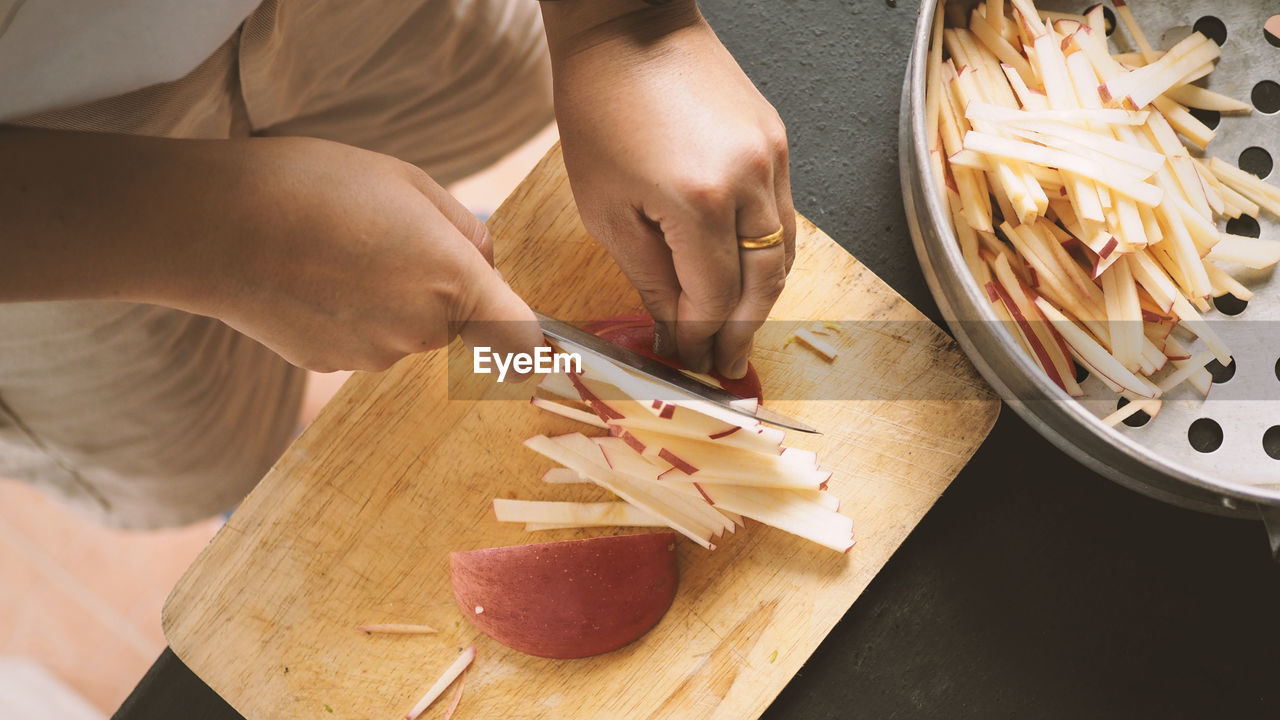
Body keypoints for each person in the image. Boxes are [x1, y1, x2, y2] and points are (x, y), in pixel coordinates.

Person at [0, 0, 794, 529]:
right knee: (200, 445)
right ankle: (280, 491)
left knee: (489, 86)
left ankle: (418, 248)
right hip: (52, 182)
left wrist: (623, 23)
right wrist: (216, 238)